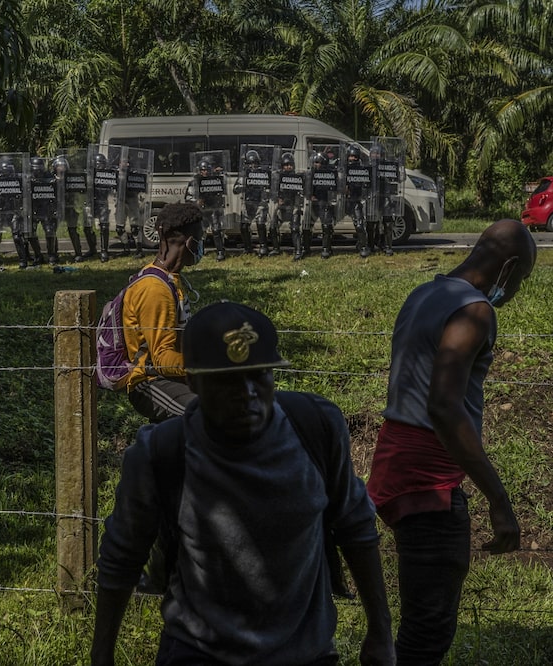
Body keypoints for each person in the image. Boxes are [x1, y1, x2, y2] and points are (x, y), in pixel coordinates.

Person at [92, 300, 395, 666]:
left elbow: (355, 526)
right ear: (192, 381)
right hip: (200, 655)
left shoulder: (316, 428)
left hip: (306, 655)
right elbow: (122, 557)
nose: (247, 393)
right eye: (227, 380)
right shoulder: (162, 454)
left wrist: (381, 632)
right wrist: (102, 655)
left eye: (259, 375)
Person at [366, 219, 537, 665]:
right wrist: (499, 500)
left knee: (416, 619)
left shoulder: (424, 293)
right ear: (510, 266)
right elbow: (443, 406)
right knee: (427, 632)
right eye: (520, 279)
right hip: (427, 480)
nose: (515, 291)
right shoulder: (475, 311)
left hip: (394, 460)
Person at [120, 202, 202, 423]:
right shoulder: (154, 289)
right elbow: (162, 359)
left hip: (174, 377)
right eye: (201, 239)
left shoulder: (172, 280)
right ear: (190, 242)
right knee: (207, 414)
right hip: (150, 381)